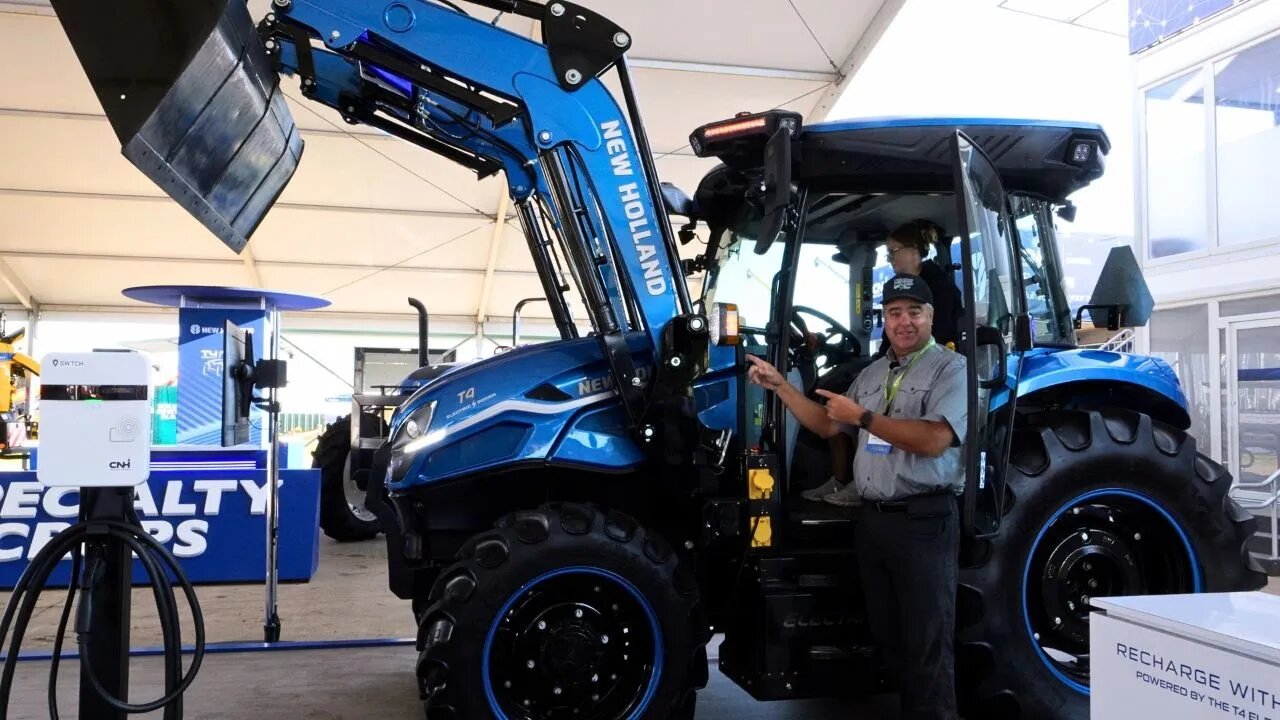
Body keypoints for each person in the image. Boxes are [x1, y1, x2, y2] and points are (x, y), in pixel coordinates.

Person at [746, 273, 966, 720]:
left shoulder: (950, 368)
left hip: (923, 521)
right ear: (884, 320)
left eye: (913, 312)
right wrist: (781, 387)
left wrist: (863, 416)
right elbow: (829, 426)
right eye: (894, 313)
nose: (904, 322)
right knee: (890, 639)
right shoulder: (873, 371)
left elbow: (933, 441)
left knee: (927, 644)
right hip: (875, 522)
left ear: (931, 317)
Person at [802, 220, 962, 504]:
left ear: (914, 250)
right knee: (834, 397)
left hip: (921, 366)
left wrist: (862, 412)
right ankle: (845, 479)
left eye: (893, 251)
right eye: (894, 313)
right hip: (892, 362)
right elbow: (893, 342)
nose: (889, 258)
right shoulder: (901, 289)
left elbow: (930, 339)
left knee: (849, 401)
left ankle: (848, 480)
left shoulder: (940, 290)